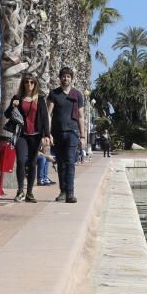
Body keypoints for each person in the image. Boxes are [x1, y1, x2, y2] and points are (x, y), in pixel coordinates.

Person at [4, 74, 51, 203]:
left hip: (35, 136)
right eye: (27, 82)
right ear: (23, 84)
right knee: (20, 161)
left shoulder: (39, 99)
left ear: (35, 84)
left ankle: (29, 193)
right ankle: (20, 191)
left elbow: (45, 118)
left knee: (32, 163)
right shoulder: (17, 98)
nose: (29, 84)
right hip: (21, 135)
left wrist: (46, 135)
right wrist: (13, 106)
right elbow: (7, 114)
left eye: (32, 82)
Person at [47, 66, 86, 203]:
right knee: (61, 163)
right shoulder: (54, 94)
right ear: (60, 78)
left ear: (71, 78)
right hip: (57, 133)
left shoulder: (77, 95)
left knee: (70, 162)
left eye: (68, 76)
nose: (66, 78)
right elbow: (49, 114)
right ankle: (62, 191)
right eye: (63, 76)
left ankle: (70, 193)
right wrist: (48, 133)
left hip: (72, 133)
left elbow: (81, 116)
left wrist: (83, 136)